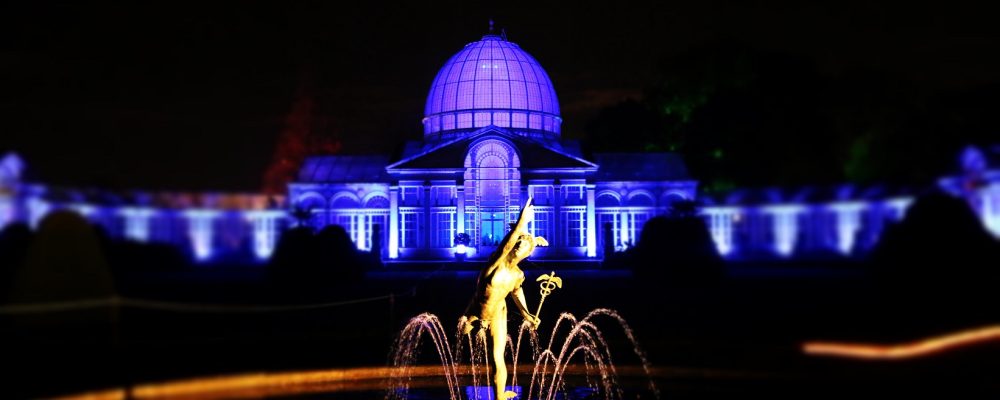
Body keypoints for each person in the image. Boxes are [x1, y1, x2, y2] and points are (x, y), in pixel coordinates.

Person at [462, 197, 548, 399]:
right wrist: (521, 223)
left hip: (499, 313)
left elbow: (517, 292)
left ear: (527, 254)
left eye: (525, 246)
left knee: (497, 357)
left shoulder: (518, 275)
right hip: (477, 312)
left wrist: (527, 315)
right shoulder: (497, 261)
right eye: (518, 243)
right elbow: (508, 242)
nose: (519, 246)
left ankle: (500, 395)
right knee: (462, 333)